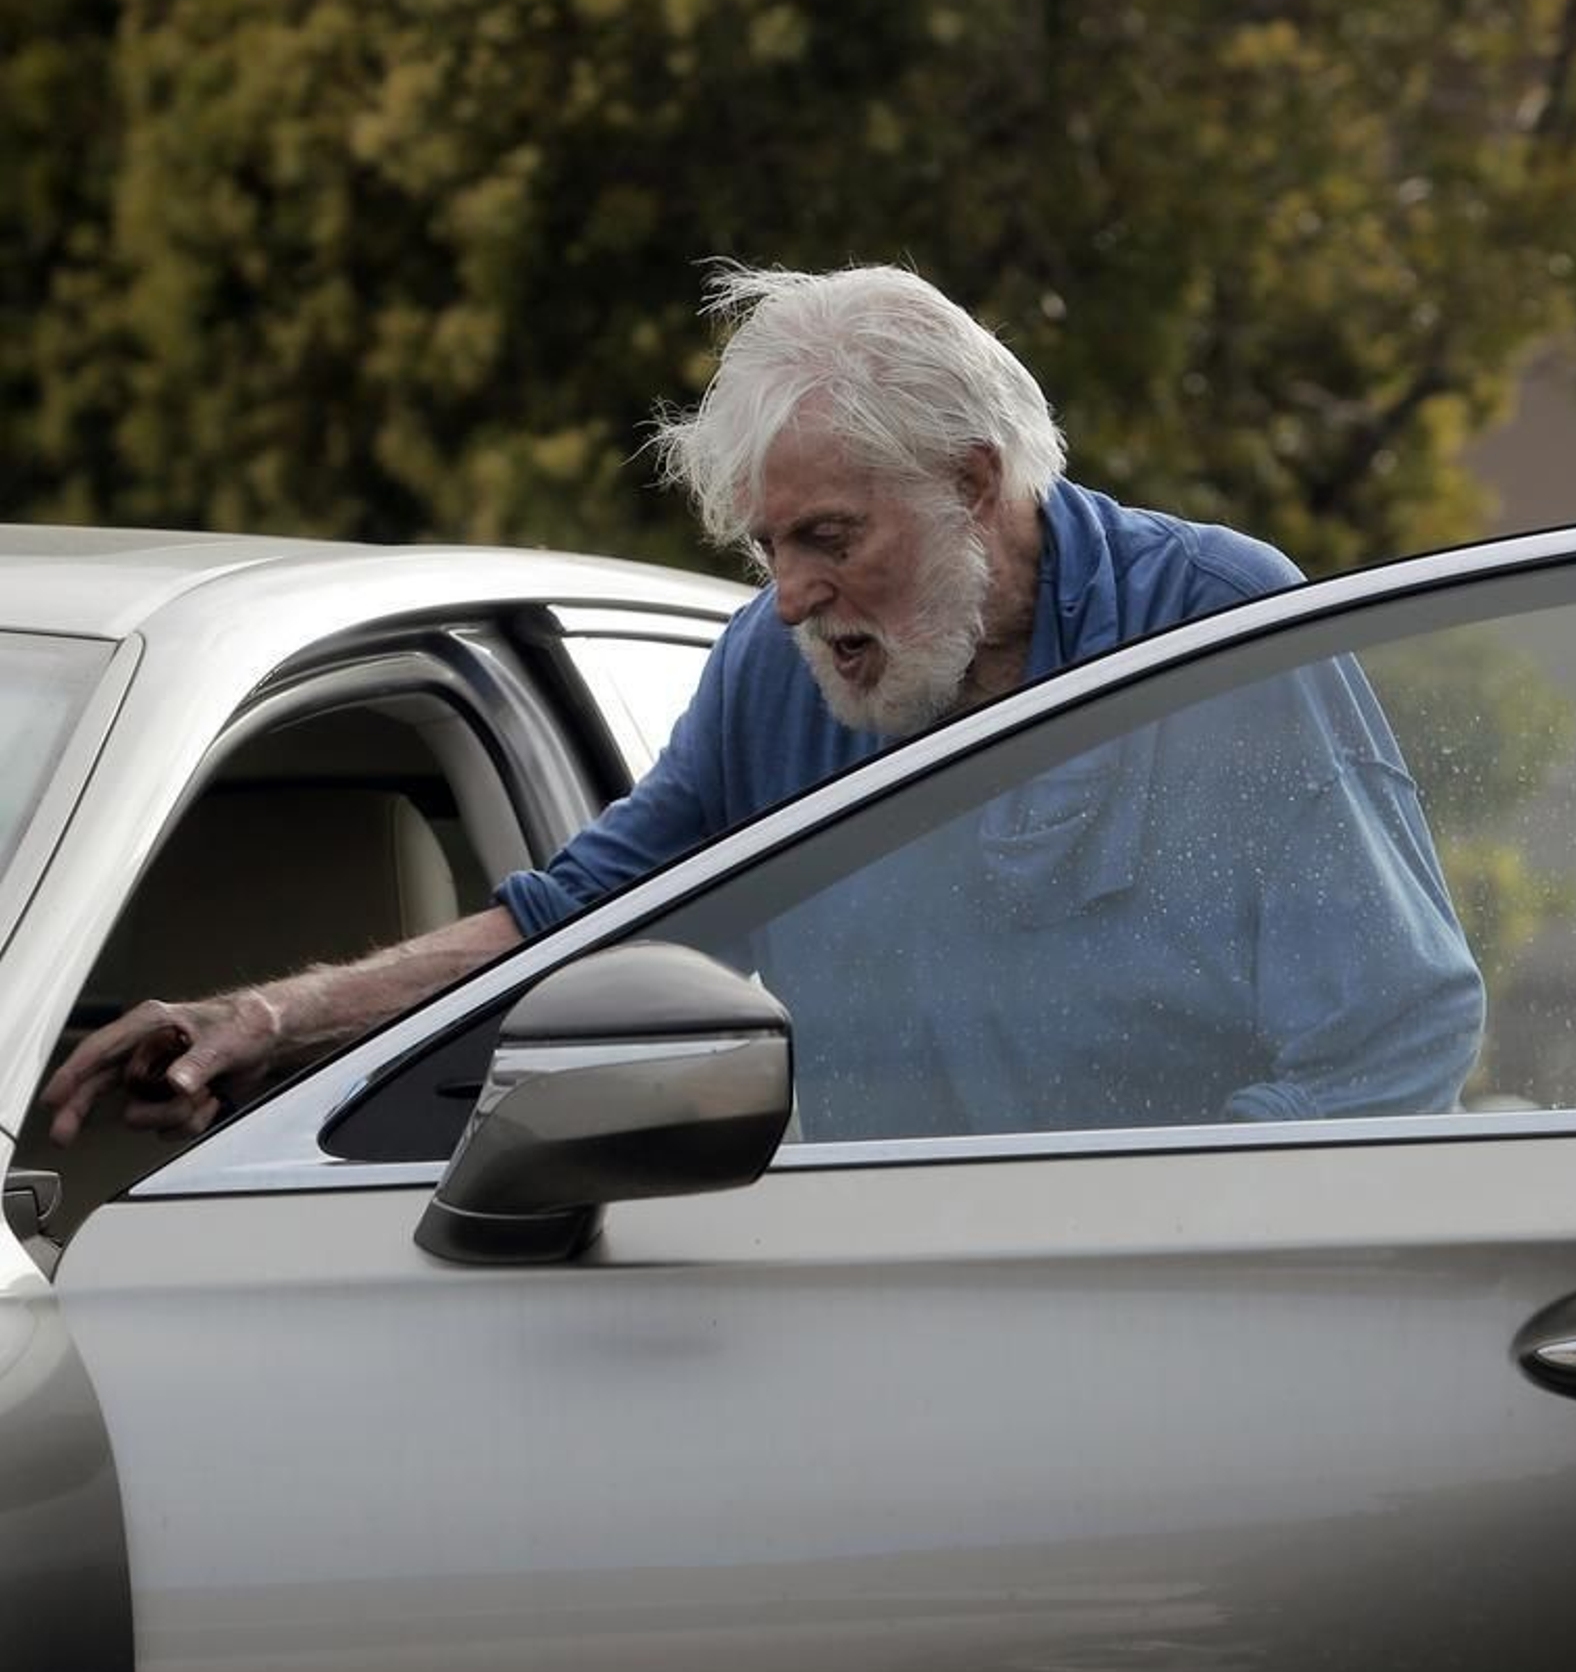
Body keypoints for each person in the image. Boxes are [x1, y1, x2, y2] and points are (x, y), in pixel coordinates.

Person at [44, 262, 1483, 1149]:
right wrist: (274, 1011)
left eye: (828, 538)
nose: (789, 597)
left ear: (976, 485)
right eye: (766, 547)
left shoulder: (1211, 630)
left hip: (1167, 1329)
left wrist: (1159, 1245)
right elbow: (579, 916)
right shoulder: (775, 670)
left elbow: (1399, 1034)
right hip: (860, 1318)